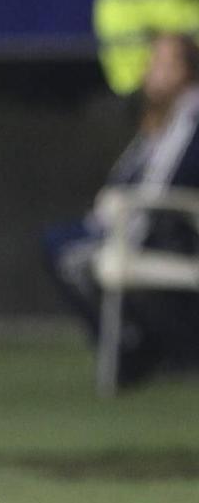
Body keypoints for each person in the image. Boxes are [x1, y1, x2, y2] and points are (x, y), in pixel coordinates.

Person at [44, 32, 199, 388]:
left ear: (188, 73)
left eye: (164, 64)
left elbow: (166, 187)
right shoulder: (163, 120)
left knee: (64, 251)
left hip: (173, 233)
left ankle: (130, 353)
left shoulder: (191, 119)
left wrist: (119, 221)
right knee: (59, 242)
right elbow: (124, 179)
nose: (152, 72)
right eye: (152, 63)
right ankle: (134, 348)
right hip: (143, 225)